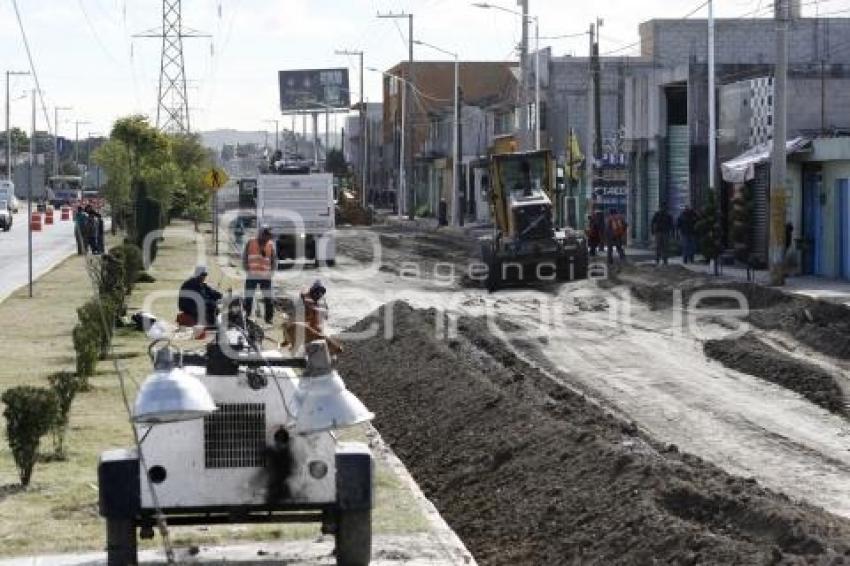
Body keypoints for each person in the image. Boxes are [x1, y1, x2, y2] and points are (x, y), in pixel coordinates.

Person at [282, 280, 343, 355]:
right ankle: (289, 343)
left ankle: (333, 349)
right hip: (302, 323)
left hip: (312, 325)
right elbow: (303, 294)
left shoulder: (321, 302)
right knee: (286, 325)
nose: (319, 295)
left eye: (320, 293)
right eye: (317, 292)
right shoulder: (305, 298)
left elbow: (325, 315)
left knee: (319, 334)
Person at [243, 225, 276, 324]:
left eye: (269, 236)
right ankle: (246, 317)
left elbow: (274, 260)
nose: (268, 238)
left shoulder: (270, 244)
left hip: (265, 276)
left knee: (269, 298)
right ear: (261, 234)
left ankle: (268, 319)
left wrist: (271, 273)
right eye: (266, 235)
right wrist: (247, 269)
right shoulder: (251, 242)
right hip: (252, 275)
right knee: (248, 297)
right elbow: (245, 257)